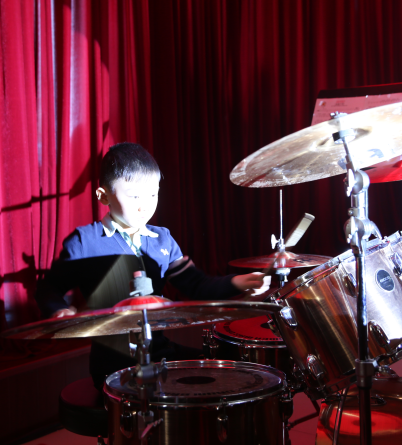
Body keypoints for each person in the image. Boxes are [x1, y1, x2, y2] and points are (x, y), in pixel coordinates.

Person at [35, 143, 265, 389]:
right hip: (113, 365)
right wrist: (59, 310)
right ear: (103, 196)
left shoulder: (162, 239)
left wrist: (236, 282)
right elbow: (48, 289)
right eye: (134, 196)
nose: (145, 205)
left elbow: (196, 284)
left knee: (225, 371)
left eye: (153, 194)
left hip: (160, 353)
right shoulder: (85, 241)